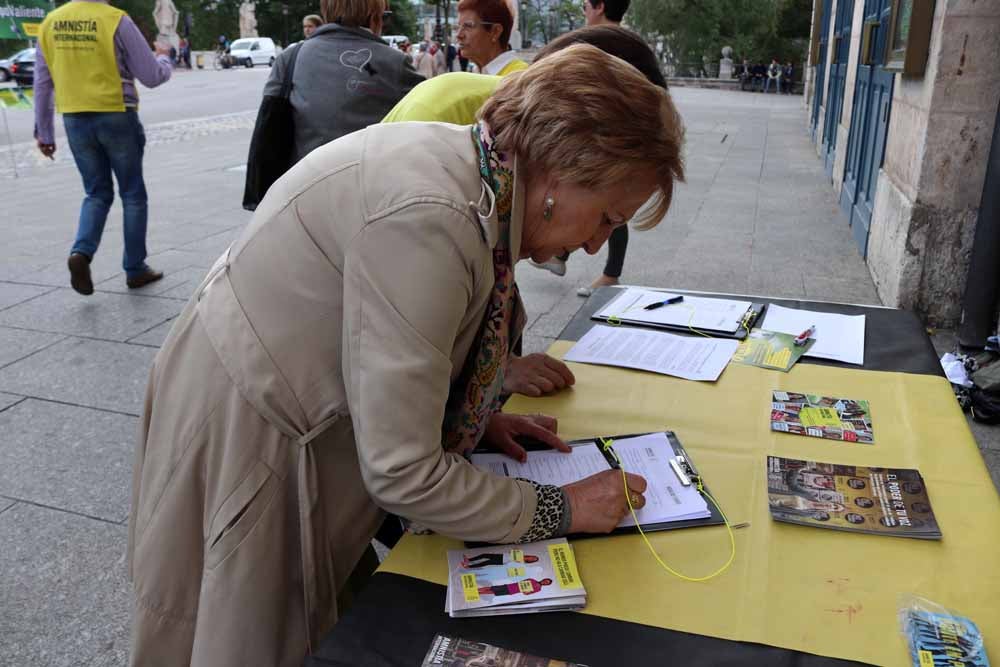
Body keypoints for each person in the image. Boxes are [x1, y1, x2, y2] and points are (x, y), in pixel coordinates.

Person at [128, 44, 683, 666]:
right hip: (253, 426)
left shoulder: (480, 177)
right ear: (560, 171)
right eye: (605, 217)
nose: (594, 244)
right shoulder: (435, 215)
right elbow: (403, 473)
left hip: (290, 403)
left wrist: (474, 413)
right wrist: (564, 506)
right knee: (249, 632)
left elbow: (402, 345)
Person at [382, 24, 670, 397]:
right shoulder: (441, 122)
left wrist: (492, 382)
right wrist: (493, 375)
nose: (594, 245)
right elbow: (406, 334)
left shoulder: (522, 157)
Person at [34, 0, 172, 295]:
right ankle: (135, 269)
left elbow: (43, 84)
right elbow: (151, 76)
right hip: (116, 113)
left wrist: (44, 132)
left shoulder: (50, 22)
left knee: (96, 193)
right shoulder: (115, 20)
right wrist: (164, 58)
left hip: (74, 118)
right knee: (133, 194)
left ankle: (81, 253)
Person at [532, 0, 632, 295]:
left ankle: (607, 274)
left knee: (609, 208)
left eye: (585, 5)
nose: (584, 12)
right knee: (605, 205)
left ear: (600, 6)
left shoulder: (599, 45)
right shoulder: (629, 44)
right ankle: (562, 255)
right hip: (614, 137)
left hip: (605, 137)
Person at [262, 0, 423, 164]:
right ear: (374, 16)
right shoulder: (394, 62)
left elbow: (267, 130)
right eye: (385, 16)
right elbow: (430, 121)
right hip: (372, 181)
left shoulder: (290, 59)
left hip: (305, 181)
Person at [456, 0, 527, 76]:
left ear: (495, 32)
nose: (459, 35)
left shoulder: (520, 78)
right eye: (457, 27)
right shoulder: (477, 72)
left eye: (468, 26)